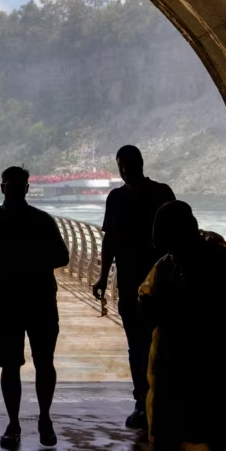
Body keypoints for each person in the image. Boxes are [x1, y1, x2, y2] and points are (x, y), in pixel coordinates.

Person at [138, 200, 226, 451]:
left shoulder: (175, 266)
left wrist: (168, 309)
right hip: (194, 371)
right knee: (211, 444)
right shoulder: (176, 264)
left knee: (211, 444)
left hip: (207, 371)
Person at [0, 166, 70, 449]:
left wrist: (2, 260)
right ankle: (44, 420)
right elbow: (62, 256)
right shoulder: (42, 220)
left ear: (3, 188)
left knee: (10, 365)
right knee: (43, 362)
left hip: (4, 300)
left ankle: (14, 424)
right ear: (27, 188)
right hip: (41, 300)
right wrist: (34, 259)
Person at [92, 145, 175, 429]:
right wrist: (103, 277)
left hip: (159, 286)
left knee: (154, 344)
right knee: (139, 345)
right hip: (129, 286)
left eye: (128, 164)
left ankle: (154, 401)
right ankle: (144, 401)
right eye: (121, 165)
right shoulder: (119, 198)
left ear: (140, 163)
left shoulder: (159, 193)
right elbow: (109, 241)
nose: (124, 170)